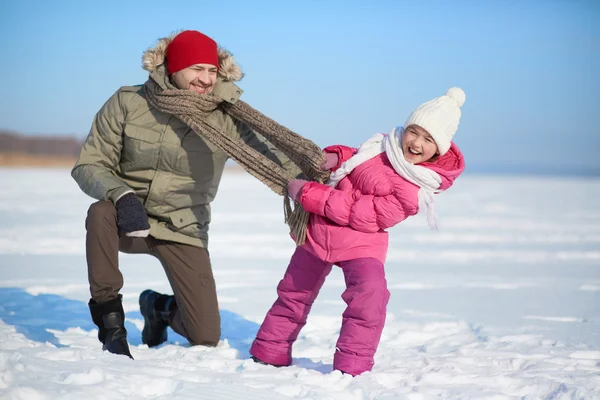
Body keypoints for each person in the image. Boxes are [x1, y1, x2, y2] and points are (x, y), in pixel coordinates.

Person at [71, 30, 303, 358]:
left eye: (212, 71)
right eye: (197, 69)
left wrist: (324, 178)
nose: (206, 79)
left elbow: (269, 155)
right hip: (127, 218)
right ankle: (111, 324)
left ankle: (159, 308)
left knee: (205, 335)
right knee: (100, 212)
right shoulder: (128, 102)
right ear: (174, 67)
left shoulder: (224, 115)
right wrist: (121, 195)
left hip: (183, 225)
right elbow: (90, 164)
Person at [249, 88, 467, 376]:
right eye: (414, 132)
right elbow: (353, 157)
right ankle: (270, 349)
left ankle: (352, 364)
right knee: (294, 292)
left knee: (370, 296)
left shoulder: (416, 189)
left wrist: (307, 193)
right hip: (319, 233)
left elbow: (361, 213)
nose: (416, 142)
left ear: (438, 149)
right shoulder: (379, 147)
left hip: (361, 246)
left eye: (428, 139)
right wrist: (333, 157)